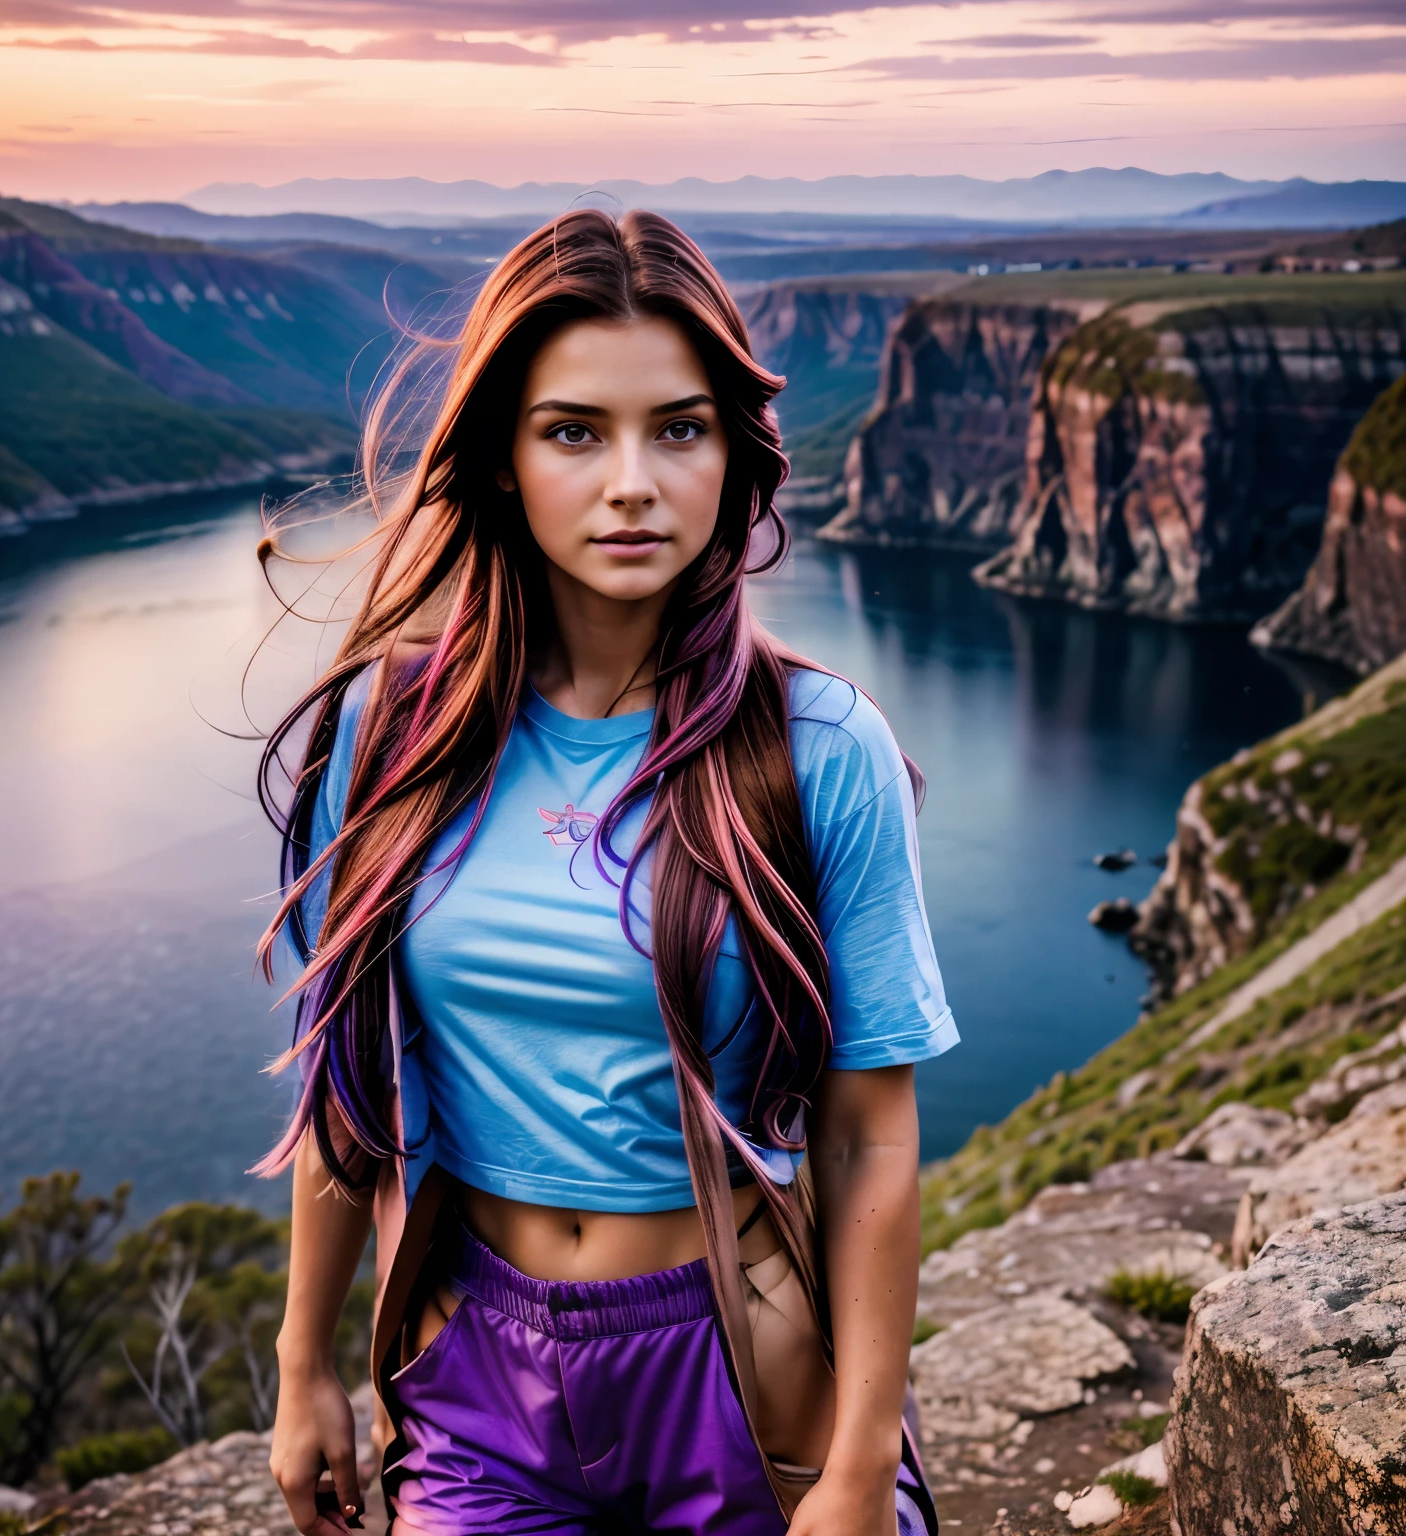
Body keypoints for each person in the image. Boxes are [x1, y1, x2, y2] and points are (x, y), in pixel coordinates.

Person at [255, 207, 957, 1536]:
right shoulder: (392, 734)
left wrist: (861, 1466)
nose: (632, 480)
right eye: (575, 430)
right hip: (475, 1377)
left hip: (746, 1369)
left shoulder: (821, 750)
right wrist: (303, 1371)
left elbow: (869, 1132)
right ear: (506, 459)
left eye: (678, 428)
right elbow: (342, 1077)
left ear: (730, 457)